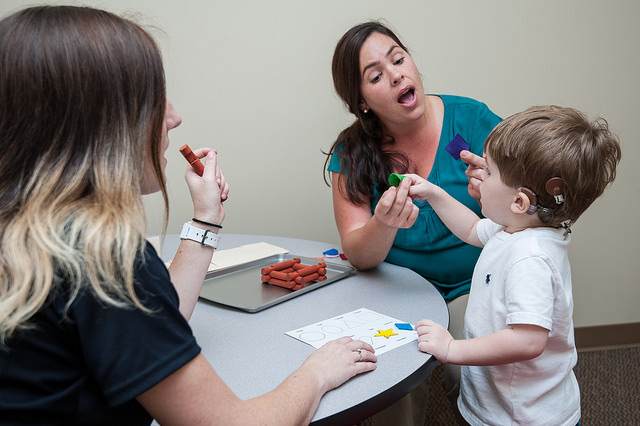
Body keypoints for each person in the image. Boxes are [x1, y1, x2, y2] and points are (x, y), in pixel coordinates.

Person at [0, 6, 376, 425]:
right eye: (153, 100)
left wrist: (206, 219)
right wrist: (316, 373)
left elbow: (156, 318)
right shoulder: (95, 260)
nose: (174, 117)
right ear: (101, 125)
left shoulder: (31, 235)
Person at [323, 21, 501, 423]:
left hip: (474, 284)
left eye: (399, 59)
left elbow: (528, 209)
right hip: (396, 293)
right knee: (390, 385)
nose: (397, 74)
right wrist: (383, 224)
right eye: (376, 75)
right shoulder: (353, 153)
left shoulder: (472, 120)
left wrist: (491, 198)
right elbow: (359, 254)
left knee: (471, 372)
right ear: (362, 101)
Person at [408, 105, 621, 425]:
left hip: (524, 417)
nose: (480, 175)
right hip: (496, 405)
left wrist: (452, 349)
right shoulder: (517, 228)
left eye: (489, 172)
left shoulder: (530, 258)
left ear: (519, 202)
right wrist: (434, 193)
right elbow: (470, 229)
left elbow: (527, 341)